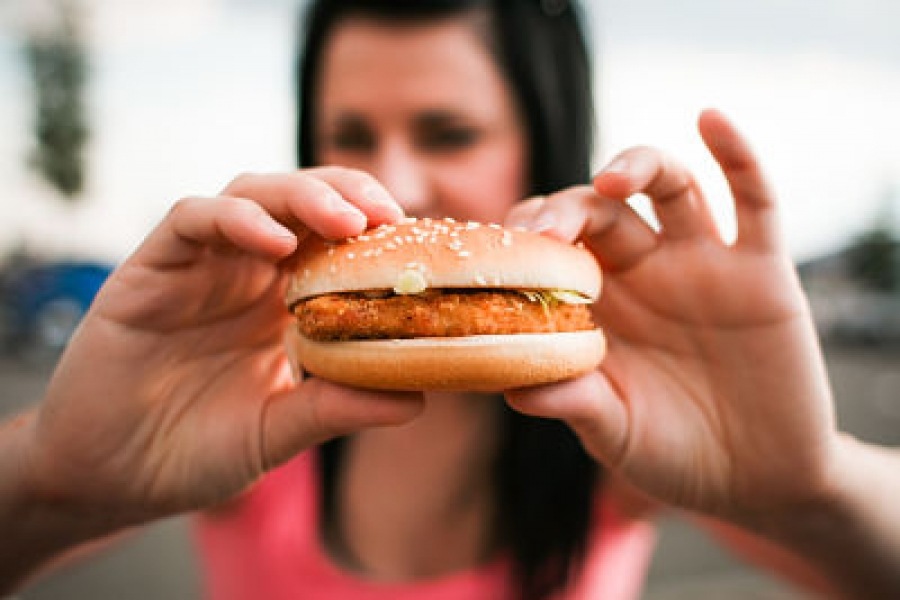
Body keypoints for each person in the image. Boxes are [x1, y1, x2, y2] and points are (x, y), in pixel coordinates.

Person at [1, 0, 899, 598]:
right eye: (349, 133)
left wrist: (815, 486)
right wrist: (53, 482)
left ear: (543, 142)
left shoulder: (627, 437)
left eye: (450, 132)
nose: (393, 183)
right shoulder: (225, 404)